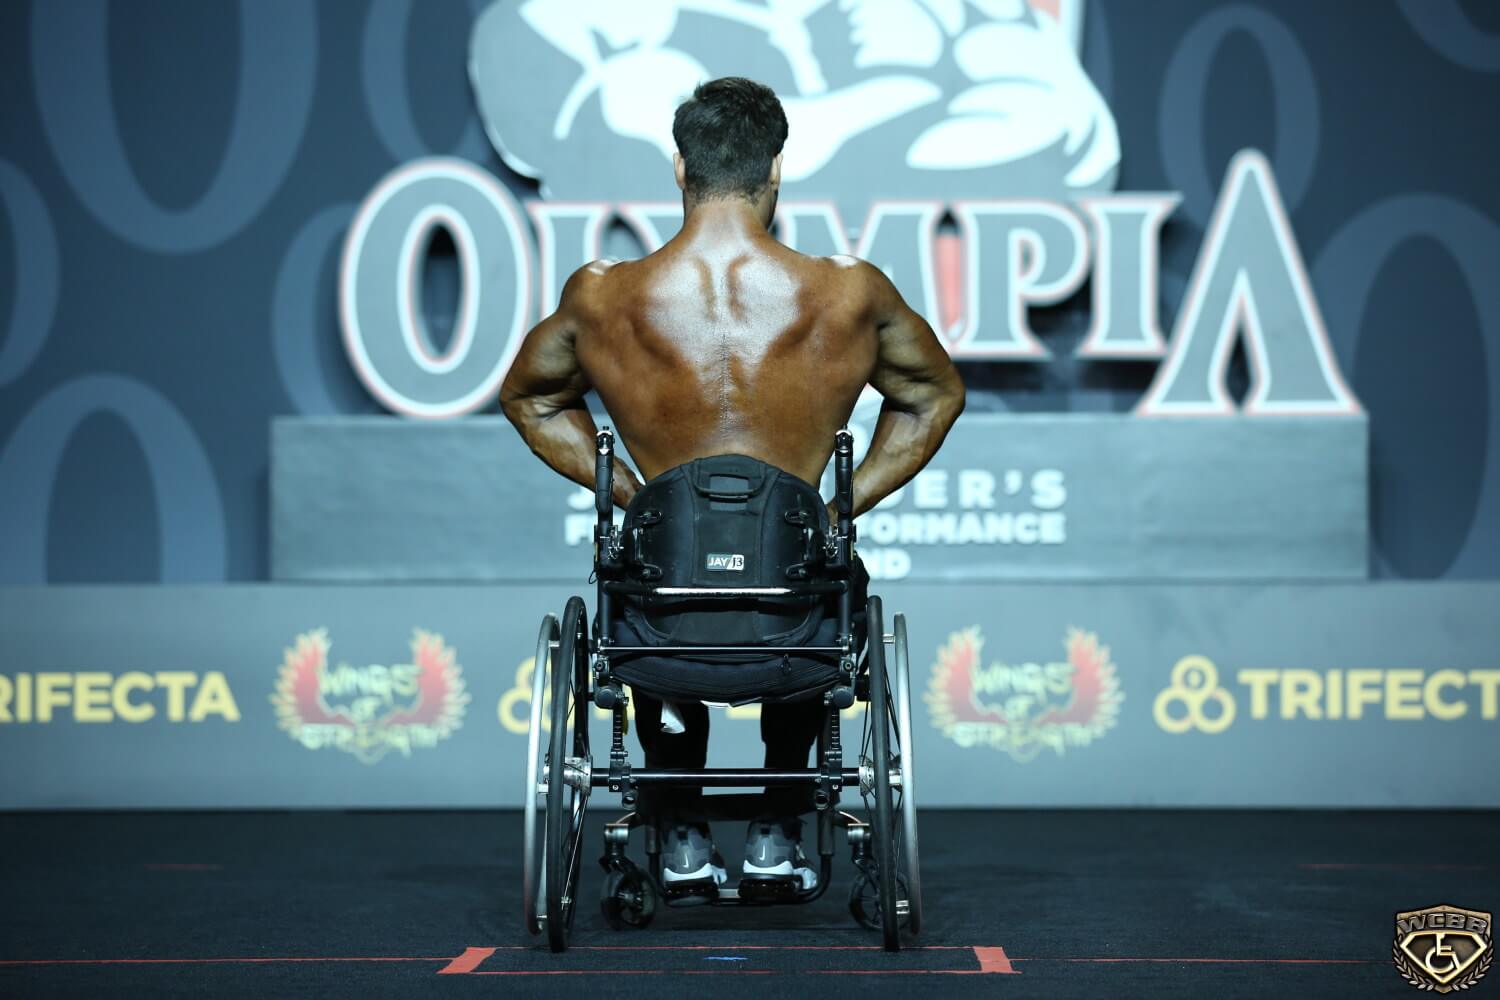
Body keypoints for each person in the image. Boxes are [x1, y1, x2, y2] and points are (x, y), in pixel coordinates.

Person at [501, 76, 964, 897]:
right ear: (775, 169)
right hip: (794, 625)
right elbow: (935, 395)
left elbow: (529, 398)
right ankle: (775, 836)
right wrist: (833, 510)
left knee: (655, 580)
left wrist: (637, 496)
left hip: (662, 623)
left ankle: (680, 842)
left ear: (681, 168)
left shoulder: (603, 295)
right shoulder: (849, 292)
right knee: (813, 574)